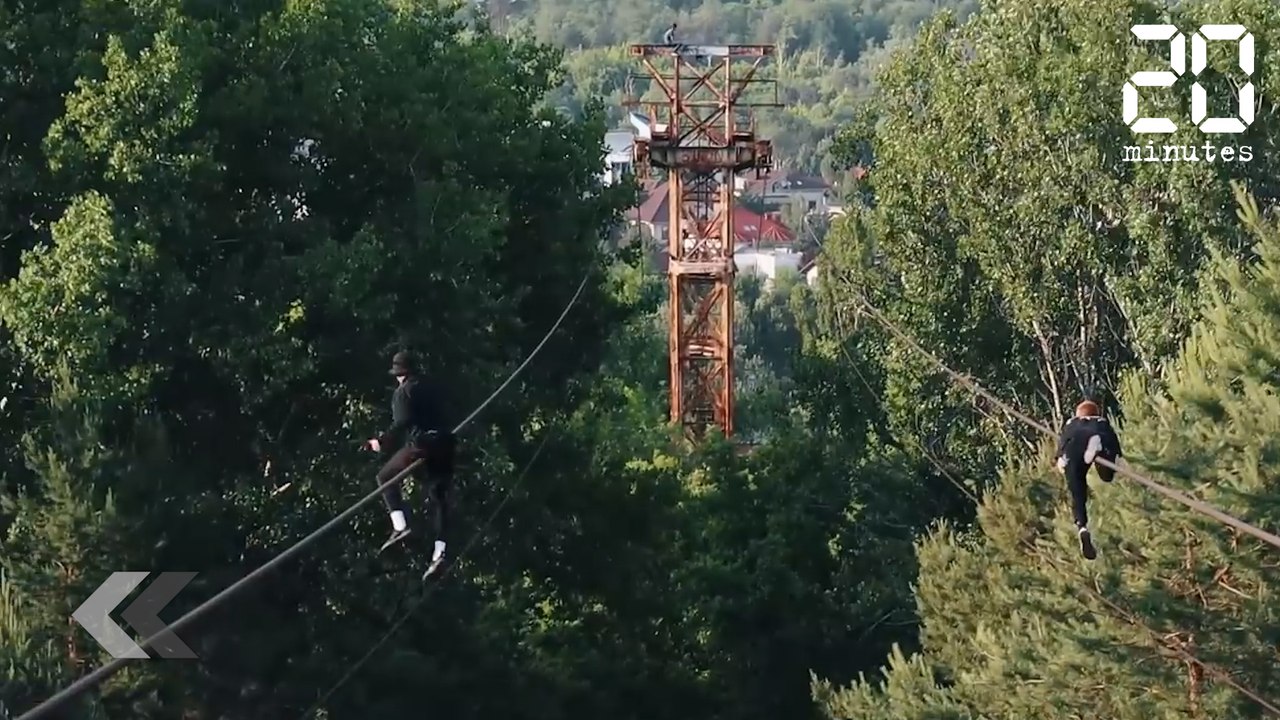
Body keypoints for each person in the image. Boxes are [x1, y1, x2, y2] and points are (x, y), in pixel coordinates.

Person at [365, 350, 456, 579]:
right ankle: (440, 554)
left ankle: (400, 526)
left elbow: (401, 424)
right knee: (440, 500)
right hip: (446, 444)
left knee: (385, 477)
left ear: (400, 374)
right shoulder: (432, 386)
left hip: (422, 446)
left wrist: (380, 442)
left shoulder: (403, 392)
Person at [1054, 399, 1123, 560]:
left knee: (1077, 492)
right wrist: (1117, 457)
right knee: (1107, 476)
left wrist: (1060, 457)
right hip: (1096, 437)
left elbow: (1063, 440)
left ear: (1078, 414)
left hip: (1073, 448)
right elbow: (1113, 441)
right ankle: (1096, 448)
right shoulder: (1100, 422)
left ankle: (1082, 526)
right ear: (1095, 413)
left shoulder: (1071, 424)